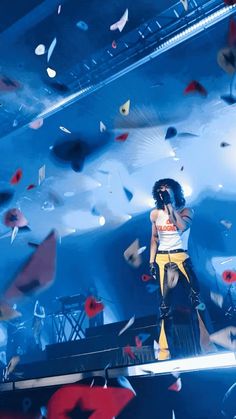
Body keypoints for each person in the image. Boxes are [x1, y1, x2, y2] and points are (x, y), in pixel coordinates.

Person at [149, 178, 210, 360]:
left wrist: (169, 206)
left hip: (181, 257)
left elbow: (181, 227)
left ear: (174, 191)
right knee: (164, 307)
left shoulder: (186, 211)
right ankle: (164, 351)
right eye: (160, 189)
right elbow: (154, 238)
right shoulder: (154, 214)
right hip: (162, 260)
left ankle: (207, 344)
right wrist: (151, 261)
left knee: (197, 300)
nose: (163, 191)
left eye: (166, 188)